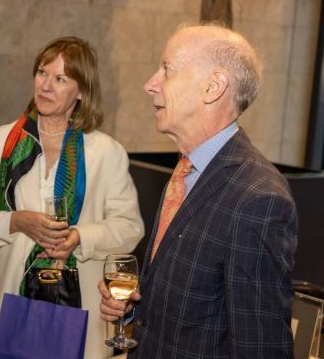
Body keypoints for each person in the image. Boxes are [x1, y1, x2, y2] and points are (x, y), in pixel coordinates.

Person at [99, 24, 298, 358]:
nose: (150, 84)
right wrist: (134, 308)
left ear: (213, 87)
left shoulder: (259, 199)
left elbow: (260, 347)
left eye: (167, 70)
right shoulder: (186, 169)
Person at [0, 36, 144, 358]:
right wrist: (14, 221)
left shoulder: (106, 152)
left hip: (77, 308)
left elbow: (129, 227)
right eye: (42, 73)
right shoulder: (2, 142)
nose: (46, 85)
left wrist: (79, 237)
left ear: (81, 91)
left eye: (60, 79)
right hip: (1, 301)